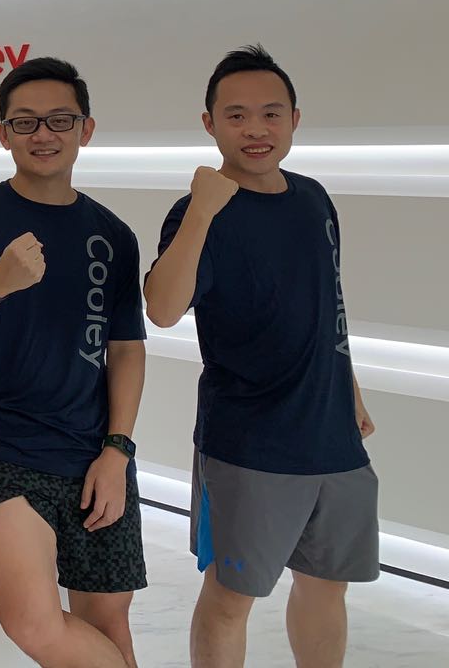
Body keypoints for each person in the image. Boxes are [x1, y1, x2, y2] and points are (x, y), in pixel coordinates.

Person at [144, 45, 378, 668]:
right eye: (237, 115)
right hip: (249, 444)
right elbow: (162, 308)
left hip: (332, 437)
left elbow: (330, 303)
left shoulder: (313, 199)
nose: (256, 130)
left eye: (271, 114)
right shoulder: (197, 213)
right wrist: (201, 210)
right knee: (231, 597)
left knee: (328, 585)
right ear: (209, 124)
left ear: (295, 120)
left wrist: (350, 395)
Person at [0, 57, 147, 668]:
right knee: (33, 622)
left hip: (95, 453)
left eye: (60, 119)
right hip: (6, 449)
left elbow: (126, 350)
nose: (43, 134)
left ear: (86, 128)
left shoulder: (113, 234)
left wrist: (118, 449)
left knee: (106, 622)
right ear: (3, 134)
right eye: (25, 122)